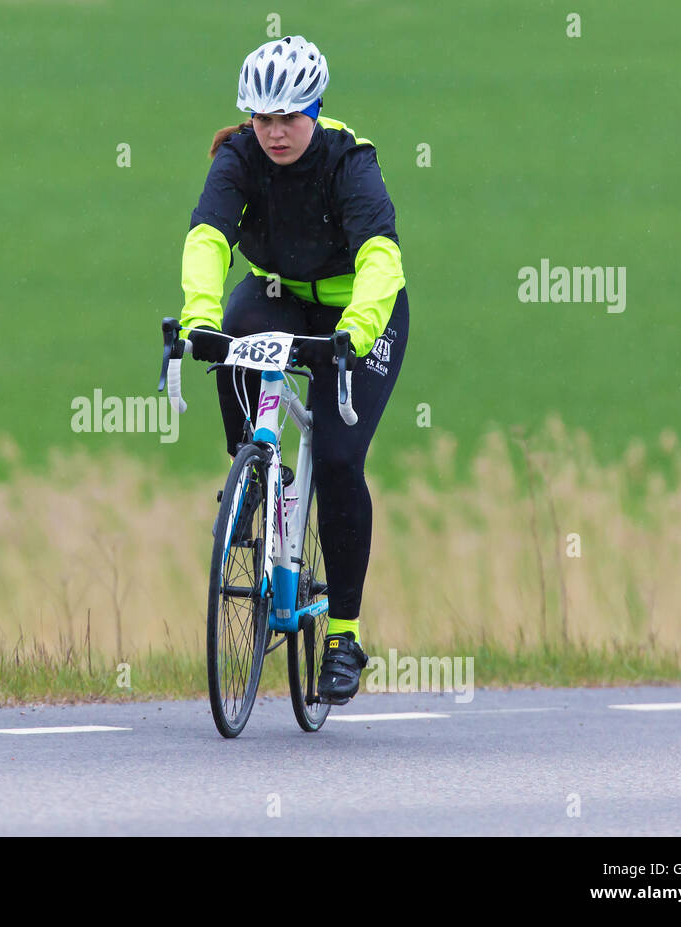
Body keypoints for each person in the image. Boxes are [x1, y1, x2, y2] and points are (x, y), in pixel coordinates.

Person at [179, 35, 409, 705]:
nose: (275, 132)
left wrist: (352, 335)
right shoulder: (238, 157)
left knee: (338, 459)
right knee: (226, 338)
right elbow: (208, 237)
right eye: (263, 118)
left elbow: (381, 262)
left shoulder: (350, 162)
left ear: (314, 109)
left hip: (357, 312)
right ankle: (253, 468)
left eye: (290, 117)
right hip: (277, 293)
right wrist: (196, 316)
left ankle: (342, 635)